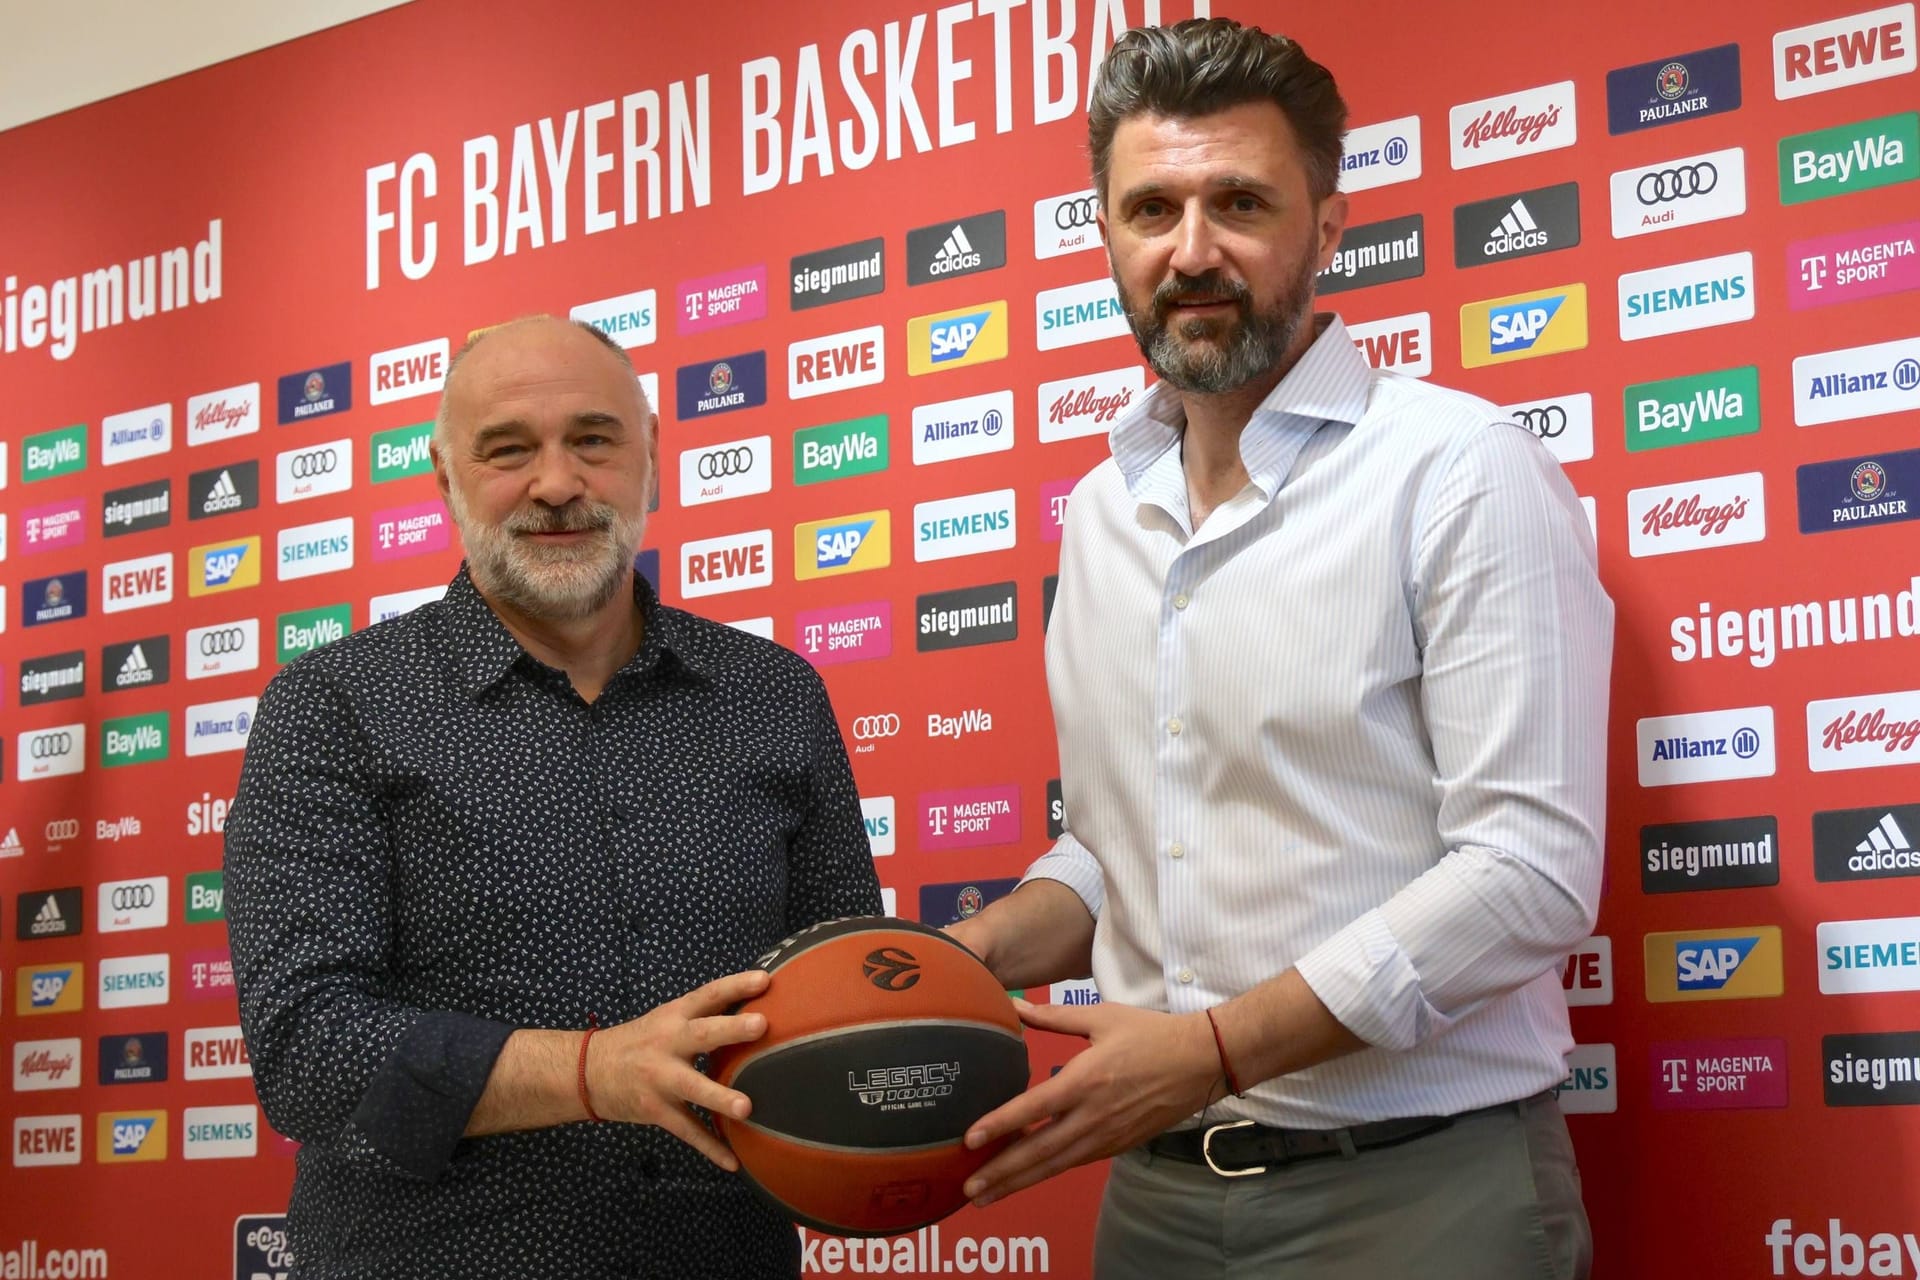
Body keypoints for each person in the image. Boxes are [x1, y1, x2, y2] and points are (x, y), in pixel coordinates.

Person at [947, 19, 1610, 1280]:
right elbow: (1122, 843)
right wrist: (971, 956)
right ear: (1107, 238)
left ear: (1329, 224)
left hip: (1419, 1195)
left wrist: (1208, 1049)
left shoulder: (1459, 469)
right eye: (1150, 208)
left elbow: (1529, 869)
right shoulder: (1100, 512)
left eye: (1239, 200)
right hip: (1154, 1198)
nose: (1192, 249)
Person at [225, 315, 883, 1279]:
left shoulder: (775, 695)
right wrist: (593, 1073)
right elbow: (308, 1050)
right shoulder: (335, 705)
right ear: (445, 482)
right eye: (508, 451)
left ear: (652, 460)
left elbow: (844, 987)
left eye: (593, 439)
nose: (559, 483)